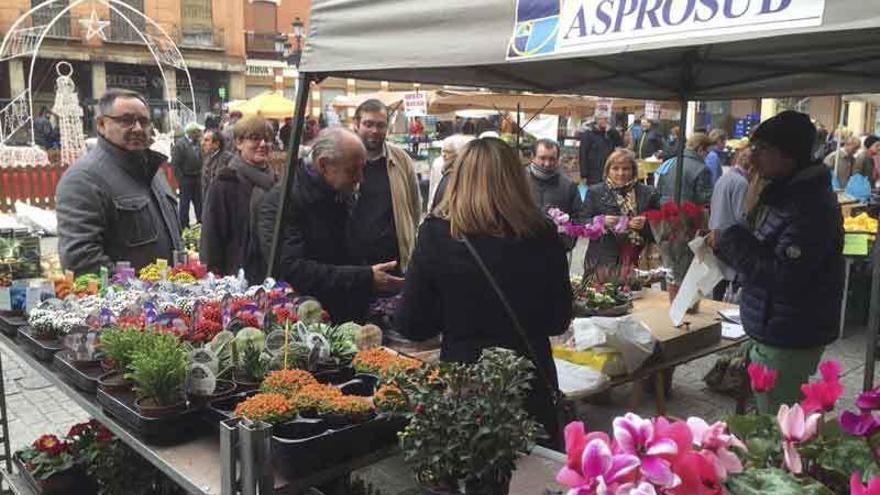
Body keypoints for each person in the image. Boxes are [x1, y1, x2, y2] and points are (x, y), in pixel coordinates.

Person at [395, 137, 573, 446]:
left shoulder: (437, 234)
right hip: (530, 377)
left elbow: (412, 323)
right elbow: (559, 319)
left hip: (466, 384)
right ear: (516, 179)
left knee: (474, 472)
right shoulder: (541, 231)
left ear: (458, 178)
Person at [709, 110, 844, 414]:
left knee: (780, 428)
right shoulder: (781, 192)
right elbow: (761, 248)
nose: (752, 159)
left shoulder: (809, 207)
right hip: (773, 325)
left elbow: (783, 275)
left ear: (788, 155)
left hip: (790, 333)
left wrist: (730, 239)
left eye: (760, 150)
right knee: (766, 419)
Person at [258, 128, 404, 322]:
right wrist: (365, 277)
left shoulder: (340, 192)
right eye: (353, 170)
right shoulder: (283, 201)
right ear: (324, 165)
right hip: (310, 322)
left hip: (350, 316)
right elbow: (292, 269)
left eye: (363, 168)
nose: (360, 178)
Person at [56, 89, 182, 274]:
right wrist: (137, 293)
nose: (138, 128)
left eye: (144, 121)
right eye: (126, 120)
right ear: (101, 124)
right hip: (129, 300)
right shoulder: (83, 179)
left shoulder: (153, 172)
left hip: (171, 296)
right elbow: (81, 259)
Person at [349, 99, 422, 274]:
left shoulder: (401, 159)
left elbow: (414, 205)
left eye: (380, 125)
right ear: (356, 124)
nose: (374, 131)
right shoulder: (344, 159)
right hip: (353, 265)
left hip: (395, 262)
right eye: (368, 124)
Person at [200, 116, 277, 278]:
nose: (263, 144)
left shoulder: (277, 183)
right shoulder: (225, 183)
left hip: (275, 277)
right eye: (255, 138)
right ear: (239, 143)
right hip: (237, 279)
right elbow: (211, 240)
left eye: (268, 139)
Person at [583, 149, 659, 271]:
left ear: (633, 171)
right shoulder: (595, 192)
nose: (620, 173)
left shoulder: (648, 193)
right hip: (601, 261)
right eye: (615, 168)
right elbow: (581, 222)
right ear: (607, 170)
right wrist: (600, 221)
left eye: (626, 169)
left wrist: (646, 224)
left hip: (637, 261)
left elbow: (662, 226)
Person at [709, 143, 752, 300]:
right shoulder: (741, 183)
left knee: (719, 282)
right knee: (734, 283)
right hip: (731, 239)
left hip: (717, 234)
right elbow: (741, 216)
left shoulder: (724, 178)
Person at [528, 138, 583, 250]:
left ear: (558, 159)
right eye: (542, 158)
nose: (547, 164)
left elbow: (578, 218)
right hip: (521, 248)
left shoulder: (569, 186)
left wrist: (567, 243)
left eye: (552, 159)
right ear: (532, 157)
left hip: (556, 250)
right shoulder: (517, 181)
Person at [655, 133, 714, 205]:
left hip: (666, 208)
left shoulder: (670, 162)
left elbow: (659, 189)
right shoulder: (702, 169)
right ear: (700, 149)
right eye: (707, 152)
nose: (707, 156)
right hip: (687, 212)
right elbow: (701, 198)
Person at [427, 134, 473, 209]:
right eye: (443, 151)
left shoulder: (459, 175)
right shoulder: (439, 165)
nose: (444, 155)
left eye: (448, 152)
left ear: (458, 154)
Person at [171, 122, 204, 227]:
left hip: (197, 176)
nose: (199, 134)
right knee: (185, 203)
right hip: (186, 178)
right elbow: (175, 164)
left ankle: (201, 222)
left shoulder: (197, 143)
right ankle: (184, 225)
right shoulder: (180, 144)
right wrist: (180, 180)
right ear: (192, 132)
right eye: (197, 132)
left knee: (199, 202)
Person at [579, 116, 623, 185]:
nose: (605, 121)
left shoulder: (610, 134)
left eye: (607, 119)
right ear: (596, 120)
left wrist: (611, 131)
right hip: (593, 174)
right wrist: (584, 174)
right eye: (603, 118)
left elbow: (619, 144)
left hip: (608, 172)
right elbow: (583, 154)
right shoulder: (588, 134)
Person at [200, 128, 235, 200]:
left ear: (216, 144)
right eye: (203, 140)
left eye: (206, 140)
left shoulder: (228, 159)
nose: (202, 143)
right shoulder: (207, 158)